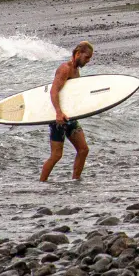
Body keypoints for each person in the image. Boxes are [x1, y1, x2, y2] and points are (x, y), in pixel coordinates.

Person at [40, 41, 93, 182]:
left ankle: (76, 181)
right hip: (58, 119)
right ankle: (41, 184)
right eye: (87, 57)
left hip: (69, 117)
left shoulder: (76, 71)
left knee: (83, 150)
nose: (88, 61)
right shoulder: (65, 69)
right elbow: (53, 91)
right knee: (56, 155)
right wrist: (58, 113)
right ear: (77, 54)